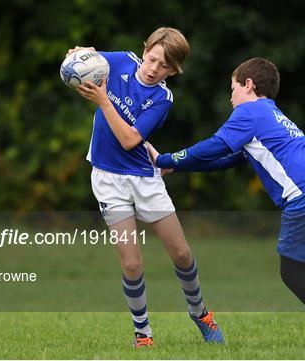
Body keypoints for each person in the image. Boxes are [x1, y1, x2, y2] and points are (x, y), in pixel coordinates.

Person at [146, 57, 305, 350]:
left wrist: (165, 159)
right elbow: (230, 157)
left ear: (249, 85)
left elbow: (214, 145)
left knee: (293, 272)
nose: (230, 97)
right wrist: (179, 167)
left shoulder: (249, 112)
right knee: (303, 261)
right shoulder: (270, 113)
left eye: (233, 88)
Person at [66, 27, 224, 348]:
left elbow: (129, 140)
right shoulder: (121, 61)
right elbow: (82, 61)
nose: (154, 69)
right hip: (108, 181)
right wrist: (78, 55)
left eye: (164, 66)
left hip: (144, 180)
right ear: (145, 49)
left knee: (181, 253)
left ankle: (200, 313)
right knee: (132, 263)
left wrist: (102, 101)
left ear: (174, 70)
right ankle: (143, 334)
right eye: (152, 59)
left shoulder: (161, 98)